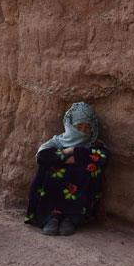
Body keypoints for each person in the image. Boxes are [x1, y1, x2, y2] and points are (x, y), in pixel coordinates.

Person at [25, 101, 109, 236]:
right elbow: (42, 157)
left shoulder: (94, 144)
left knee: (92, 168)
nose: (83, 131)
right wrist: (66, 154)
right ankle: (51, 217)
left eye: (87, 128)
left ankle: (71, 219)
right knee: (47, 168)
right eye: (79, 127)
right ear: (70, 126)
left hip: (78, 203)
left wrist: (74, 150)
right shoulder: (57, 142)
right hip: (52, 198)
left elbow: (103, 157)